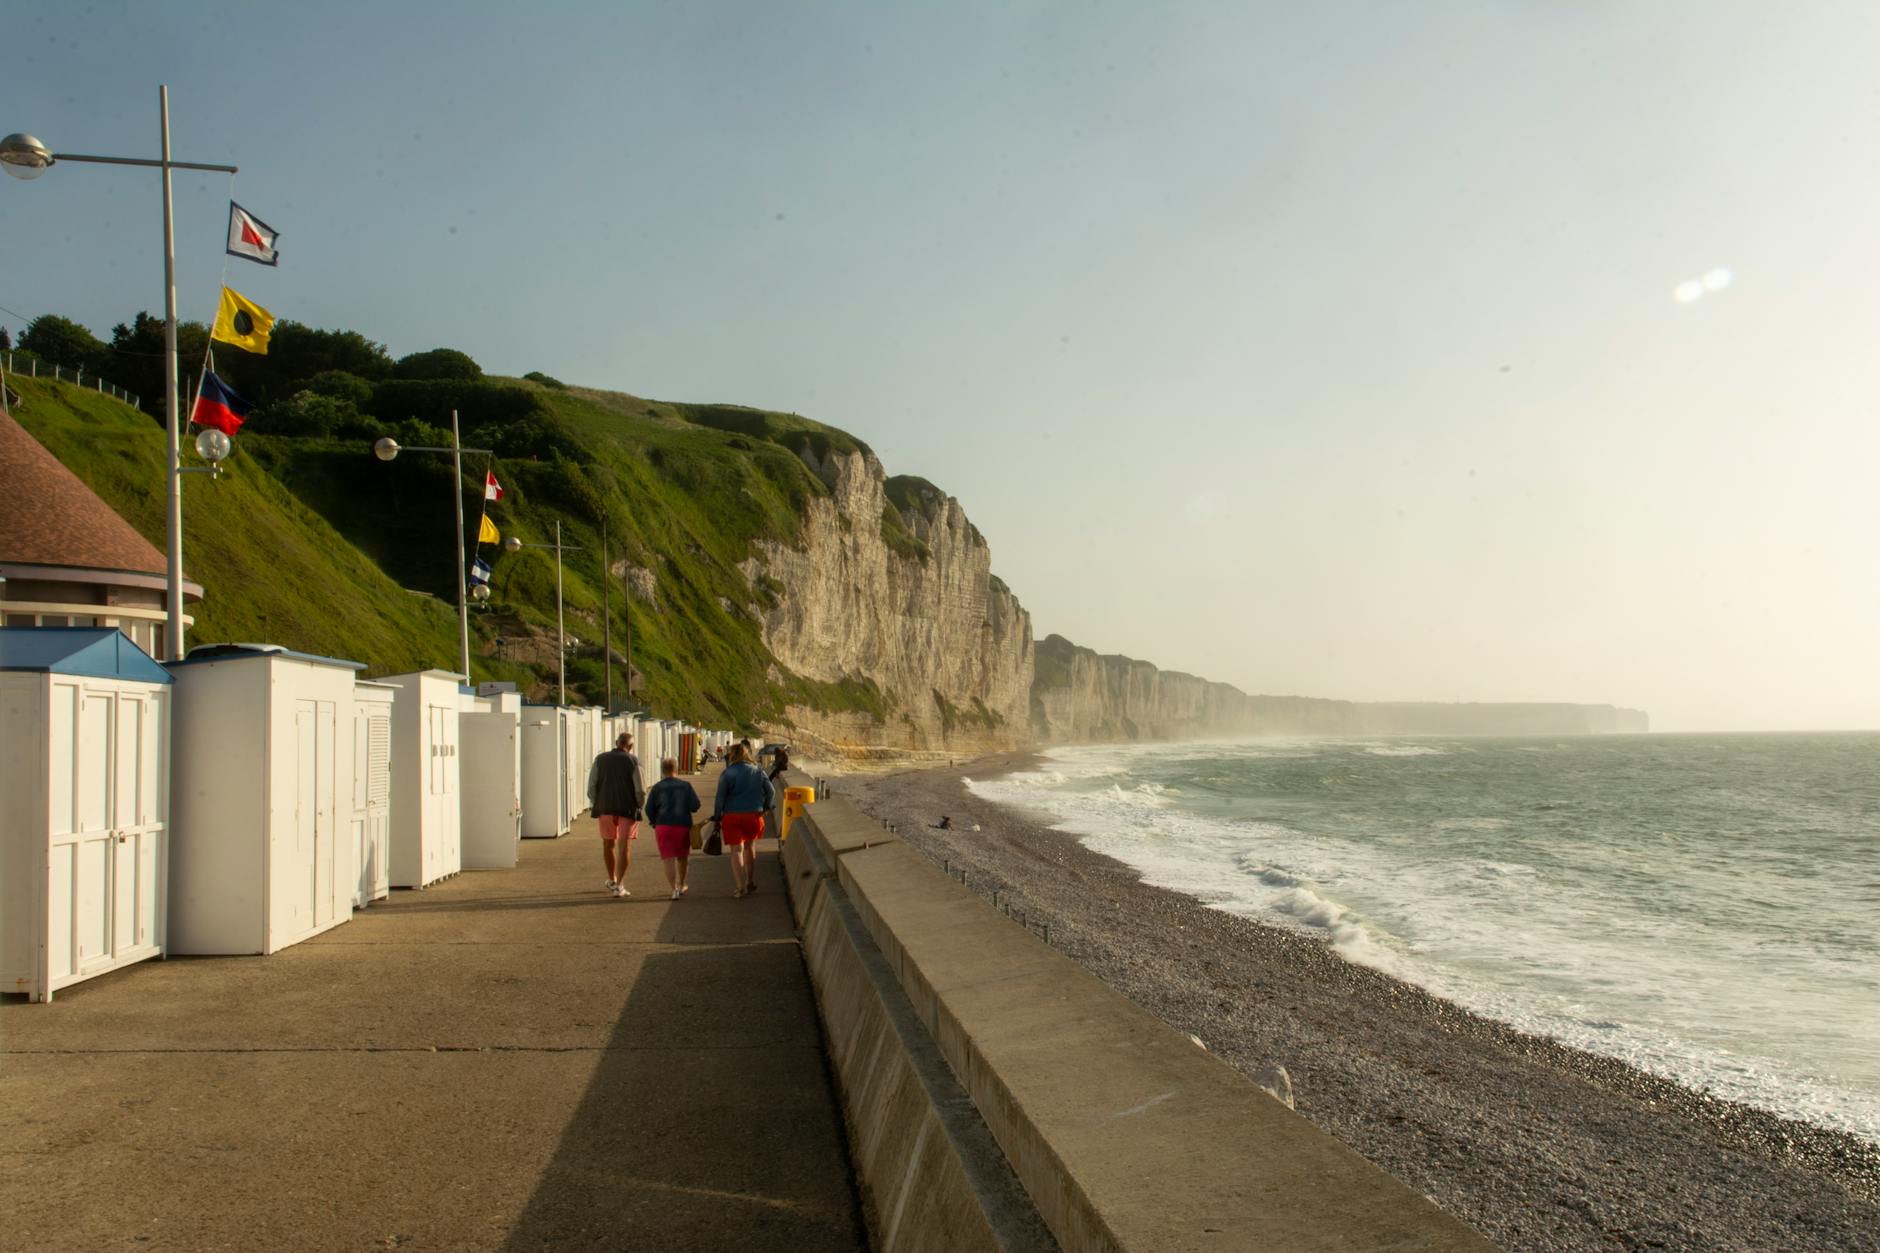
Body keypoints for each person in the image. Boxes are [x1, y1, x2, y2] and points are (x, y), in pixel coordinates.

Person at [711, 742, 775, 898]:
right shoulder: (758, 771)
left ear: (732, 755)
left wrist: (717, 816)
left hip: (732, 816)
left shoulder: (727, 773)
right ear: (747, 754)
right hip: (753, 815)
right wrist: (766, 807)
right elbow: (771, 791)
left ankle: (739, 886)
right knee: (749, 848)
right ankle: (750, 881)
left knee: (736, 851)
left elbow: (720, 798)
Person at [588, 732, 644, 897]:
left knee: (608, 844)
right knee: (624, 847)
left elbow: (592, 785)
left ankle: (611, 879)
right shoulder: (633, 761)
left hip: (605, 807)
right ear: (631, 746)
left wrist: (597, 802)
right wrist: (639, 805)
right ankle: (620, 885)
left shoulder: (600, 759)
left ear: (616, 742)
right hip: (627, 809)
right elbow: (640, 789)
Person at [644, 756, 702, 900]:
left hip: (663, 826)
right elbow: (695, 805)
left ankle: (673, 889)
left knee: (668, 859)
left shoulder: (657, 787)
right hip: (682, 825)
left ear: (662, 770)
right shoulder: (685, 786)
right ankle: (682, 884)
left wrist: (653, 822)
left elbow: (648, 809)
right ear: (676, 769)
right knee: (682, 858)